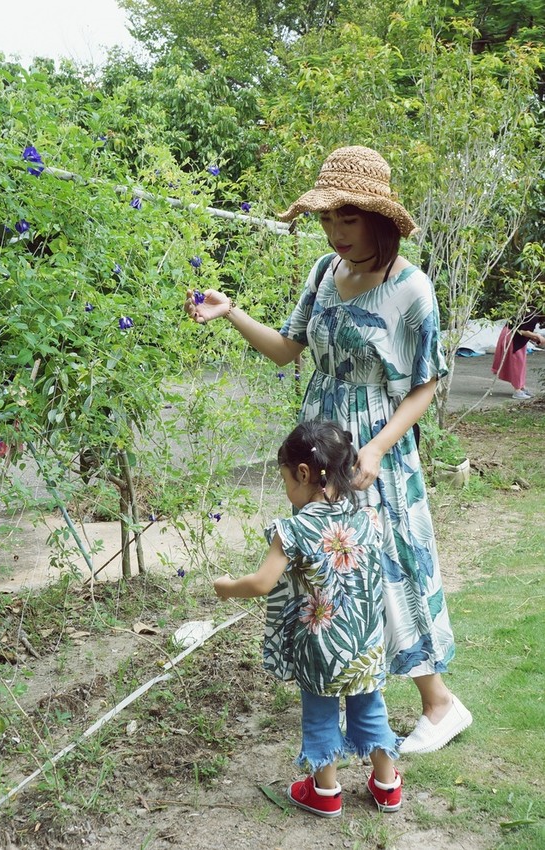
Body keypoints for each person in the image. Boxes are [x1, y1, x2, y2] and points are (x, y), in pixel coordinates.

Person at [186, 145, 472, 755]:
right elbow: (290, 348)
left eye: (347, 219)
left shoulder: (411, 288)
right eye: (327, 220)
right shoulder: (323, 272)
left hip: (374, 447)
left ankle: (439, 702)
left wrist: (376, 450)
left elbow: (426, 383)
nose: (335, 233)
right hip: (319, 440)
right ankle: (347, 693)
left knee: (389, 564)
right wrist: (231, 313)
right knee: (327, 567)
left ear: (379, 220)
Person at [214, 420, 402, 817]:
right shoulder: (369, 518)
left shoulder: (295, 528)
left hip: (319, 647)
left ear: (303, 473)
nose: (287, 490)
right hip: (365, 643)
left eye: (286, 480)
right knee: (370, 709)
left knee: (319, 715)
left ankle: (326, 792)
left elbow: (263, 583)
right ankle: (387, 787)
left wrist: (228, 586)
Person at [491, 311, 545, 400]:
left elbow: (523, 330)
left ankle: (521, 387)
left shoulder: (531, 312)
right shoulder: (532, 315)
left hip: (513, 335)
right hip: (511, 336)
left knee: (521, 362)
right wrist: (538, 336)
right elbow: (521, 331)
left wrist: (536, 338)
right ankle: (517, 390)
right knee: (517, 363)